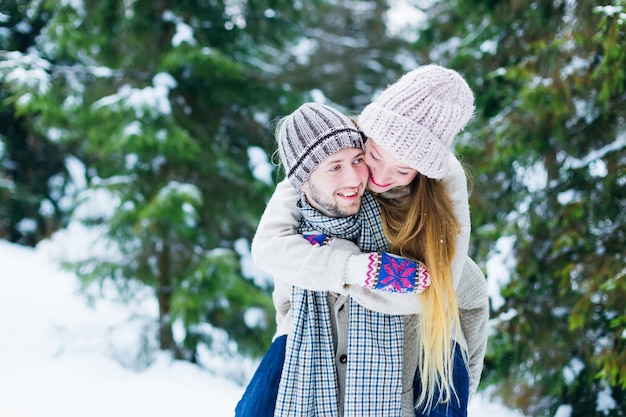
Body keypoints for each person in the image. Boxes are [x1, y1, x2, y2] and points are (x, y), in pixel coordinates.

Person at [243, 65, 488, 416]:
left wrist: (365, 276)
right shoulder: (337, 149)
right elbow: (270, 245)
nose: (379, 176)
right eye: (372, 156)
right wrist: (352, 267)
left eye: (403, 170)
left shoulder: (442, 185)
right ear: (366, 135)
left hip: (422, 346)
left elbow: (446, 285)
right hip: (311, 342)